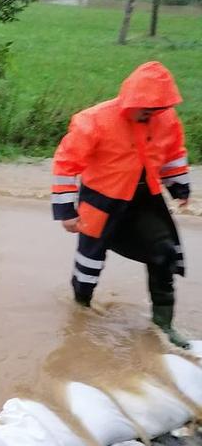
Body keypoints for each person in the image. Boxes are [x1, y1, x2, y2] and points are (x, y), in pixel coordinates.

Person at [51, 61, 191, 348]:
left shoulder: (166, 119)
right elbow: (66, 163)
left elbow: (173, 153)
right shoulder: (94, 120)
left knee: (164, 253)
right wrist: (66, 211)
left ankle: (163, 324)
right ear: (130, 98)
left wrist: (179, 186)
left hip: (145, 199)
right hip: (101, 199)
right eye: (145, 109)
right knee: (90, 262)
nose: (150, 114)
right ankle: (80, 308)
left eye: (156, 110)